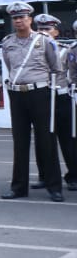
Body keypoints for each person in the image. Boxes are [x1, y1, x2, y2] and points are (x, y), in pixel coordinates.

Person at [0, 2, 63, 201]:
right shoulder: (7, 42)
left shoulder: (44, 40)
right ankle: (18, 187)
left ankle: (54, 187)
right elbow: (10, 65)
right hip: (17, 94)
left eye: (22, 17)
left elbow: (55, 66)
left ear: (30, 19)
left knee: (47, 140)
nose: (18, 21)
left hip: (40, 93)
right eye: (15, 18)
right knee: (20, 141)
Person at [33, 14, 77, 192]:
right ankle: (45, 176)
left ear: (56, 32)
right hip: (42, 97)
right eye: (40, 29)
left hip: (61, 97)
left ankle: (73, 176)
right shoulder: (33, 51)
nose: (43, 32)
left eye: (47, 29)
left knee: (68, 140)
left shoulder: (67, 50)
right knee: (43, 139)